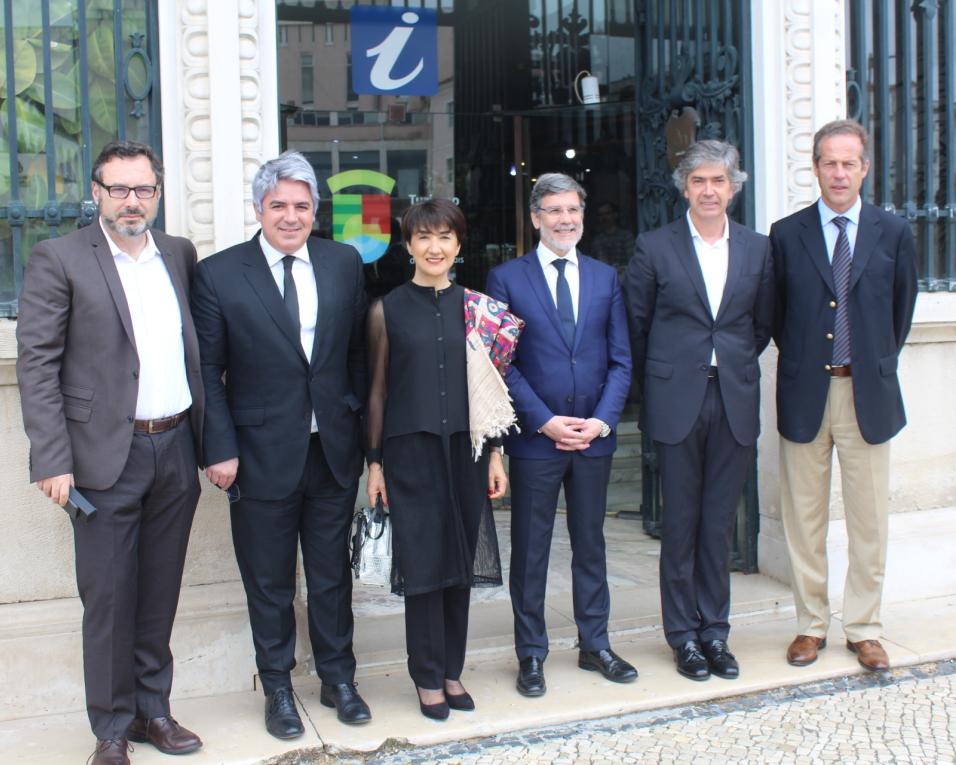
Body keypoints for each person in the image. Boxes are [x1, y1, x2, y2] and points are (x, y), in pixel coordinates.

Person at [16, 140, 204, 765]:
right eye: (119, 188)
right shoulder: (60, 258)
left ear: (157, 193)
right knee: (109, 597)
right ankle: (112, 729)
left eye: (143, 189)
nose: (131, 200)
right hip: (102, 458)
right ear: (96, 191)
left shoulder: (177, 254)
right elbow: (36, 364)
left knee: (159, 591)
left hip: (174, 446)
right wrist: (52, 457)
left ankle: (155, 711)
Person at [191, 151, 371, 735]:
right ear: (258, 209)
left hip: (332, 451)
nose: (290, 217)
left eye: (301, 205)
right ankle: (277, 689)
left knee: (331, 577)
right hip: (258, 456)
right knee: (268, 581)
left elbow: (355, 358)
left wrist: (367, 443)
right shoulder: (220, 273)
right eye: (278, 206)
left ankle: (339, 678)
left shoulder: (343, 262)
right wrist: (218, 449)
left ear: (315, 209)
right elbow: (208, 372)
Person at [623, 140, 774, 681]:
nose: (709, 190)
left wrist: (727, 363)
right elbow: (635, 326)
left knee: (719, 525)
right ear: (684, 188)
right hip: (675, 399)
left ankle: (716, 631)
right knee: (680, 524)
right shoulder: (654, 247)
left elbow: (761, 324)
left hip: (732, 394)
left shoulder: (758, 248)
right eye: (698, 181)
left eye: (719, 181)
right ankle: (682, 636)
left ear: (734, 187)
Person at [770, 120, 918, 672]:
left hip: (868, 394)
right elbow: (778, 315)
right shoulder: (787, 234)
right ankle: (810, 626)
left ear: (865, 168)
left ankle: (864, 627)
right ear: (815, 167)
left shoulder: (894, 232)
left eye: (848, 163)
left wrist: (868, 363)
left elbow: (899, 314)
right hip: (807, 390)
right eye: (829, 163)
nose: (838, 172)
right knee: (803, 519)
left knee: (869, 519)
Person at [485, 173, 636, 698]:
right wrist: (543, 419)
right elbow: (500, 364)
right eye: (553, 210)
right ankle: (531, 653)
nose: (565, 219)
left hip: (593, 435)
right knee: (531, 550)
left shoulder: (604, 277)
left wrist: (602, 420)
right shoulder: (506, 278)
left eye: (572, 209)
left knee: (591, 545)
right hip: (536, 438)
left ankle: (595, 644)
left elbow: (621, 359)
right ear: (535, 218)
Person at [365, 198, 512, 720]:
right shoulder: (386, 309)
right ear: (408, 246)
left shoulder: (478, 309)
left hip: (467, 450)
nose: (435, 247)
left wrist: (496, 454)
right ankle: (426, 676)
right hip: (410, 452)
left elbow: (491, 388)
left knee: (460, 566)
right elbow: (377, 392)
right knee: (424, 567)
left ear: (458, 244)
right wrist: (375, 462)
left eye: (444, 237)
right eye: (423, 237)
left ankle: (452, 671)